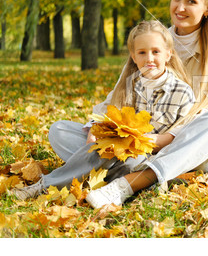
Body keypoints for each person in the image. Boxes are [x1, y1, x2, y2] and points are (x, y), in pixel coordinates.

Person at [85, 0, 208, 208]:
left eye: (191, 1)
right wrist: (96, 127)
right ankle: (164, 171)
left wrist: (161, 141)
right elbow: (118, 95)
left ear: (207, 9)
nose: (180, 7)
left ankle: (128, 183)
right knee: (62, 131)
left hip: (186, 144)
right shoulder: (151, 42)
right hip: (141, 143)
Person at [12, 20, 195, 200]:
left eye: (156, 52)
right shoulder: (129, 83)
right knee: (59, 130)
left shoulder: (182, 92)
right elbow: (104, 113)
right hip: (115, 150)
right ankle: (111, 177)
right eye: (142, 52)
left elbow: (177, 138)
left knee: (129, 160)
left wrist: (132, 143)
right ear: (133, 56)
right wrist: (95, 134)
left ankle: (46, 185)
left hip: (148, 158)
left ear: (168, 54)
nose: (149, 59)